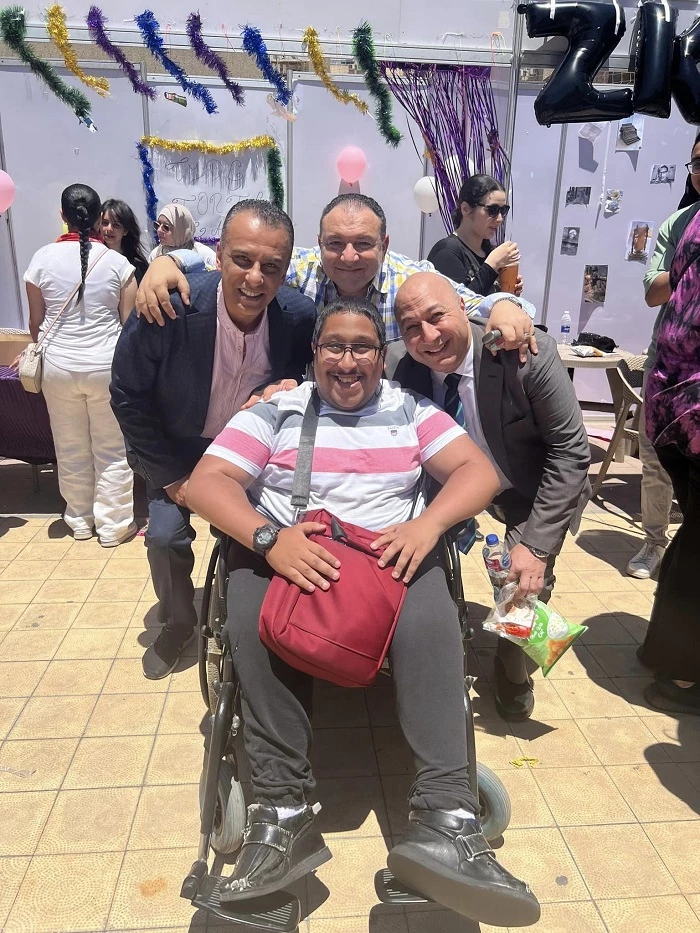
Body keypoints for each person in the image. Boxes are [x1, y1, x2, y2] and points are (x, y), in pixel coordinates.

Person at [185, 297, 540, 928]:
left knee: (430, 600)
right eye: (334, 346)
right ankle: (281, 815)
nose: (347, 362)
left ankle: (447, 819)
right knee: (246, 591)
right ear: (314, 352)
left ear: (381, 356)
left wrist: (428, 525)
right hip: (292, 553)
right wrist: (270, 538)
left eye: (362, 348)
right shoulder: (276, 411)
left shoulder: (410, 410)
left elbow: (476, 472)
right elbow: (206, 483)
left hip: (385, 559)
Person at [110, 200, 316, 680]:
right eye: (242, 259)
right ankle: (178, 622)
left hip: (246, 452)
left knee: (266, 532)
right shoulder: (168, 308)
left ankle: (260, 621)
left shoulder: (298, 315)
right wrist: (172, 477)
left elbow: (303, 375)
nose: (255, 278)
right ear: (219, 254)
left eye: (271, 267)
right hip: (174, 446)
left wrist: (284, 386)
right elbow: (127, 394)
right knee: (164, 537)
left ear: (286, 270)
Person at [389, 273, 591, 721]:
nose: (428, 336)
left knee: (523, 585)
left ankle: (511, 669)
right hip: (451, 484)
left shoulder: (526, 355)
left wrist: (536, 547)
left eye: (437, 317)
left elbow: (571, 451)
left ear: (464, 308)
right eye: (411, 327)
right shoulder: (399, 365)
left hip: (528, 485)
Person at [135, 193, 539, 356]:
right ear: (319, 243)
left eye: (363, 243)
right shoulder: (299, 268)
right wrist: (169, 262)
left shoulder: (411, 278)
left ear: (384, 243)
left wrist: (506, 305)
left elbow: (470, 303)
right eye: (335, 243)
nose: (348, 257)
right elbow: (225, 265)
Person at [23, 184, 137, 546]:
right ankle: (114, 526)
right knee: (112, 449)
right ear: (99, 218)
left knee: (69, 446)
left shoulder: (41, 259)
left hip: (58, 368)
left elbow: (35, 323)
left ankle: (80, 520)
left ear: (63, 216)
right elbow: (129, 327)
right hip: (106, 367)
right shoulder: (119, 264)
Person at [627, 134, 700, 579]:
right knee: (656, 454)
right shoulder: (680, 223)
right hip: (670, 360)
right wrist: (687, 262)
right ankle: (655, 541)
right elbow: (652, 292)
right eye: (697, 162)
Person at [640, 205, 700, 715]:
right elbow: (655, 292)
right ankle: (678, 673)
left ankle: (667, 656)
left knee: (696, 533)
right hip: (687, 405)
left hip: (675, 400)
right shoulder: (684, 223)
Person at [427, 174, 522, 297]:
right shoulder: (447, 251)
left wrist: (508, 292)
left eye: (503, 210)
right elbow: (459, 303)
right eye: (492, 210)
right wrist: (492, 265)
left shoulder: (488, 250)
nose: (499, 219)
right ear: (465, 209)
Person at [148, 203, 218, 268]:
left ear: (181, 230)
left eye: (166, 227)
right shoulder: (155, 255)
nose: (159, 230)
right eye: (157, 225)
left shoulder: (203, 254)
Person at [101, 199, 149, 284]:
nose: (109, 229)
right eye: (105, 223)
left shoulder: (137, 266)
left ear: (125, 230)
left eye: (116, 225)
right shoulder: (92, 257)